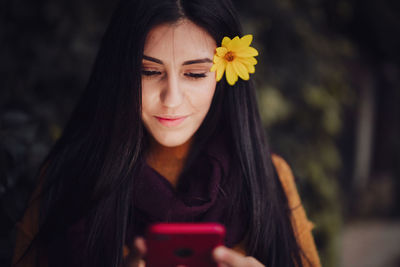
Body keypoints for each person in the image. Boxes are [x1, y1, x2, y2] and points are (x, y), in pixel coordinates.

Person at [12, 0, 321, 266]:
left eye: (195, 74)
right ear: (121, 73)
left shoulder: (269, 177)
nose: (171, 99)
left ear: (224, 75)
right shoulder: (68, 177)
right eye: (149, 71)